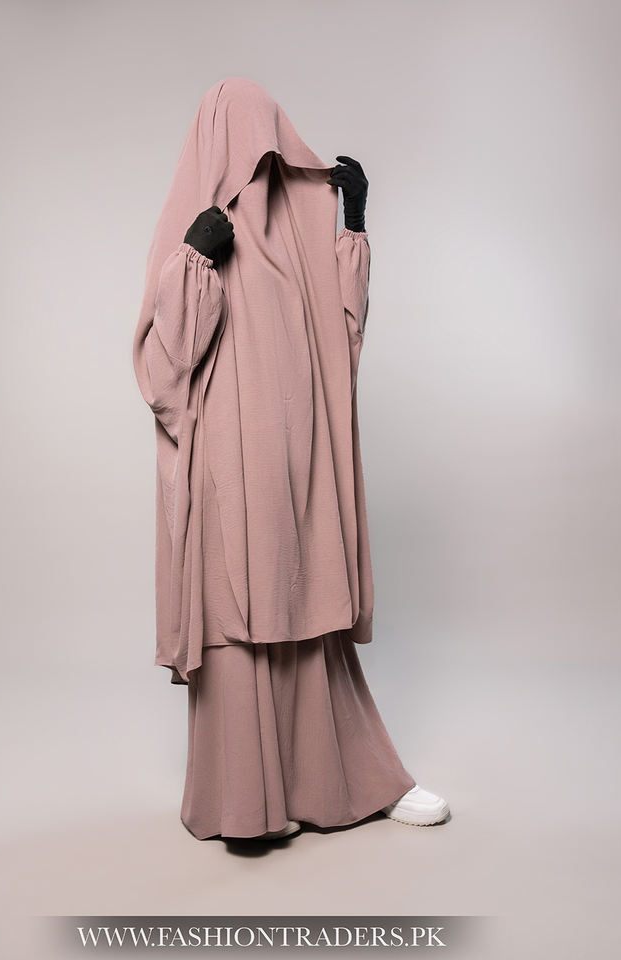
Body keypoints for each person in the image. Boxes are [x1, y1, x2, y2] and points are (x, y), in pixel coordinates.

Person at [133, 77, 450, 840]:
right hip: (226, 473)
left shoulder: (298, 239)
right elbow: (160, 371)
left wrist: (351, 226)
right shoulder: (194, 234)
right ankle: (245, 804)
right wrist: (193, 264)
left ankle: (353, 782)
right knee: (237, 620)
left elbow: (341, 345)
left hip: (302, 471)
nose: (258, 157)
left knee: (308, 610)